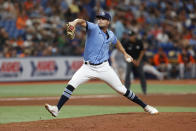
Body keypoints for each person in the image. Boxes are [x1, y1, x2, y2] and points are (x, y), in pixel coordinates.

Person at [45, 12, 158, 117]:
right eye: (99, 18)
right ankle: (57, 109)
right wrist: (74, 22)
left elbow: (117, 42)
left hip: (104, 68)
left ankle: (146, 106)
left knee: (122, 90)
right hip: (87, 67)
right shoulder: (93, 28)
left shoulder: (111, 34)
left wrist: (125, 53)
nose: (100, 20)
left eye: (103, 19)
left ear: (108, 22)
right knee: (71, 84)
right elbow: (81, 21)